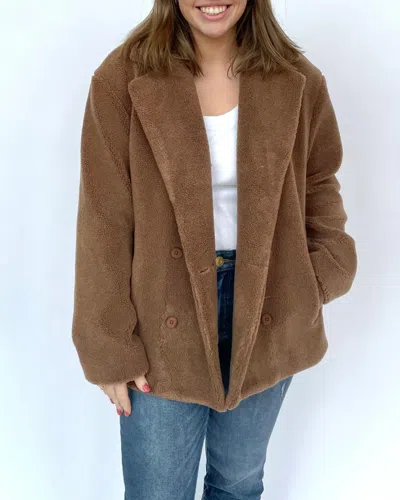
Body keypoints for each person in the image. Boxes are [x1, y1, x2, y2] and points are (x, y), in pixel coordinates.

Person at [71, 1, 358, 498]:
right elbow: (104, 216)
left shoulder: (297, 78)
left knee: (238, 484)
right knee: (157, 491)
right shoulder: (122, 79)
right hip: (162, 315)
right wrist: (110, 345)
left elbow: (318, 178)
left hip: (268, 307)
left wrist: (317, 274)